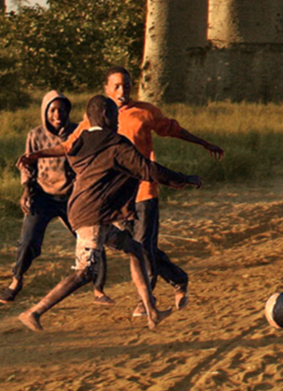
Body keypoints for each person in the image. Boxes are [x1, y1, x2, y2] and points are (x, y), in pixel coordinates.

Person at [16, 94, 202, 331]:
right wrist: (183, 178)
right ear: (106, 116)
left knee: (135, 249)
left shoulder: (81, 140)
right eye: (114, 116)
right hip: (92, 217)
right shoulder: (116, 144)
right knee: (84, 272)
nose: (117, 121)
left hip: (92, 212)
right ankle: (34, 312)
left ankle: (151, 311)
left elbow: (78, 159)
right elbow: (148, 170)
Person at [100, 66, 223, 312]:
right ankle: (178, 278)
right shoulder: (99, 115)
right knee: (135, 246)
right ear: (106, 89)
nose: (122, 90)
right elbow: (77, 143)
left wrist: (204, 143)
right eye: (116, 86)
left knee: (143, 247)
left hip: (144, 191)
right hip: (115, 196)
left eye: (126, 85)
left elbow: (173, 129)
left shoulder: (144, 112)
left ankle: (145, 301)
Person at [0, 91, 77, 304]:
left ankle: (98, 285)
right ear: (45, 112)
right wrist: (27, 189)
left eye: (62, 109)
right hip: (43, 193)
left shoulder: (78, 132)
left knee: (88, 238)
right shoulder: (35, 135)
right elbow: (27, 166)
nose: (57, 114)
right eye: (52, 110)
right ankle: (16, 279)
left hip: (72, 194)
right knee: (28, 241)